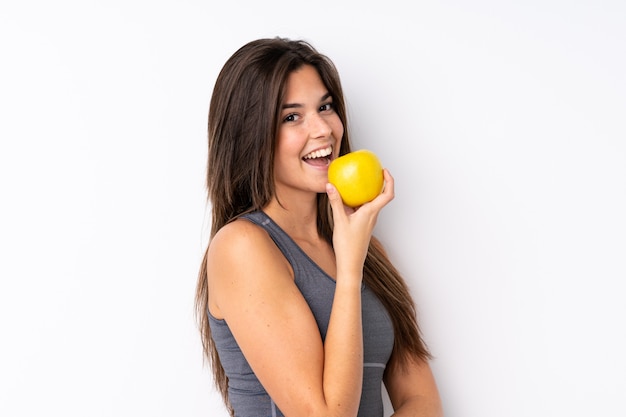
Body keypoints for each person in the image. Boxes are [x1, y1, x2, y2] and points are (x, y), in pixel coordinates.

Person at [195, 37, 443, 417]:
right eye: (291, 117)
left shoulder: (366, 251)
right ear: (250, 134)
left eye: (325, 107)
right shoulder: (241, 246)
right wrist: (347, 272)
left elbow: (422, 402)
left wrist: (354, 258)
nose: (323, 130)